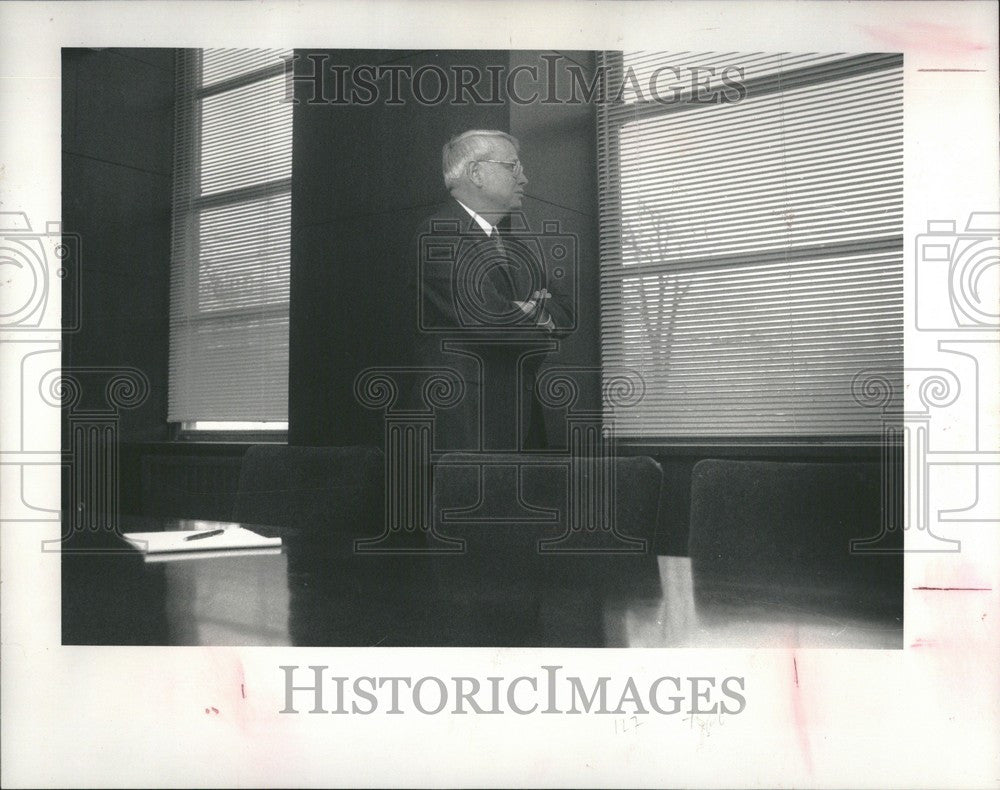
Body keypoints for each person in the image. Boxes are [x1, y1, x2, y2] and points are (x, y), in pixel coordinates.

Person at [410, 129, 573, 452]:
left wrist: (527, 311)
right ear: (476, 173)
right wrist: (538, 316)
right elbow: (490, 320)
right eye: (512, 166)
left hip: (517, 422)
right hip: (465, 425)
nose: (524, 178)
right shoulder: (438, 236)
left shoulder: (512, 246)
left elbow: (567, 313)